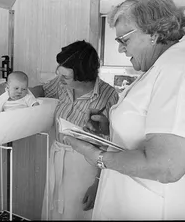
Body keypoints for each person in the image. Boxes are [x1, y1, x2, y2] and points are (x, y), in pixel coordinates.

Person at [64, 0, 185, 220]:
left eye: (123, 40)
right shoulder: (161, 68)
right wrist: (111, 131)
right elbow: (149, 130)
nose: (120, 49)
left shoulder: (183, 70)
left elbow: (166, 166)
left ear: (153, 32)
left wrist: (97, 156)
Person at [30, 40, 119, 220]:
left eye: (65, 77)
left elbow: (113, 144)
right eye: (59, 74)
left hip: (87, 164)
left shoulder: (109, 97)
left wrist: (98, 184)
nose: (60, 79)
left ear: (83, 75)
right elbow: (42, 89)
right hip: (57, 156)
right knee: (53, 210)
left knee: (75, 213)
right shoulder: (61, 84)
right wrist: (22, 93)